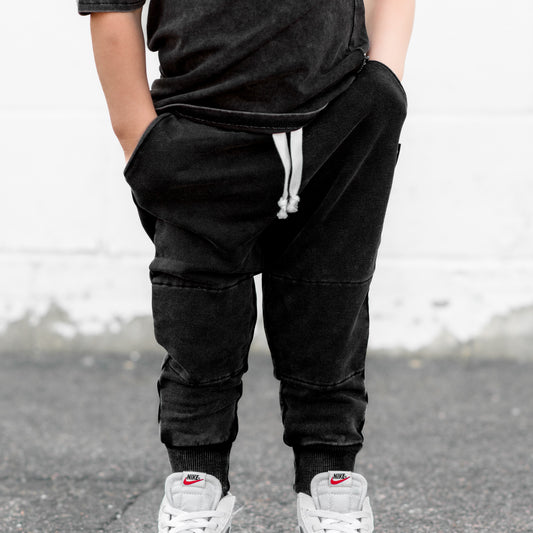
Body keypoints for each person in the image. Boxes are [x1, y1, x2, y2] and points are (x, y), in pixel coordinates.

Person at [78, 1, 415, 531]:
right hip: (198, 126)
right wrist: (137, 134)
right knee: (195, 312)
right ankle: (197, 479)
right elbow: (112, 5)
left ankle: (329, 476)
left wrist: (384, 81)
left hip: (340, 118)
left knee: (329, 302)